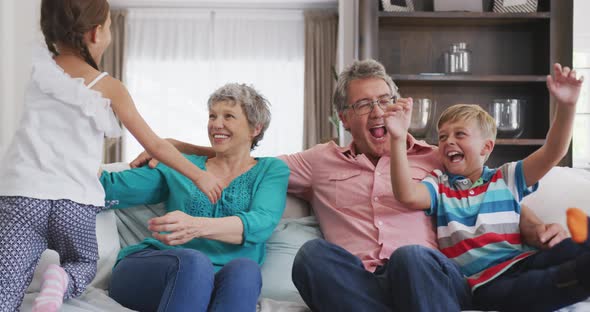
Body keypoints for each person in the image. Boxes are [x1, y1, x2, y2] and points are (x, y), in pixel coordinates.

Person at [130, 59, 567, 312]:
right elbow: (247, 159)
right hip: (361, 286)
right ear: (345, 119)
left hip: (428, 281)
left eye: (384, 101)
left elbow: (486, 190)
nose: (377, 112)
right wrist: (172, 147)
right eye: (363, 105)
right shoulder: (317, 162)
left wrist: (532, 225)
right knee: (313, 258)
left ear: (398, 107)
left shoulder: (438, 155)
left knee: (413, 257)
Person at [0, 1, 224, 311]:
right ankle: (61, 281)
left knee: (6, 284)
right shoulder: (109, 87)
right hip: (74, 201)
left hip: (20, 195)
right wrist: (199, 174)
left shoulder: (36, 67)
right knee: (82, 261)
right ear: (95, 34)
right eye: (109, 28)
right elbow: (156, 145)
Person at [384, 63, 587, 311]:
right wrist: (397, 138)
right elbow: (406, 195)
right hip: (484, 283)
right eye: (443, 136)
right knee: (537, 285)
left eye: (460, 134)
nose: (449, 141)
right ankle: (579, 274)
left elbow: (553, 152)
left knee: (564, 251)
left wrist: (567, 107)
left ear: (486, 148)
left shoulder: (507, 177)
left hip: (522, 260)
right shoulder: (439, 185)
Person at [100, 83, 289, 312]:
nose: (216, 124)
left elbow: (261, 223)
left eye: (228, 116)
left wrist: (196, 226)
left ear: (255, 129)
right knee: (195, 264)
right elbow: (109, 187)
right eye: (212, 116)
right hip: (155, 271)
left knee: (245, 270)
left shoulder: (271, 170)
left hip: (217, 282)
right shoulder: (181, 165)